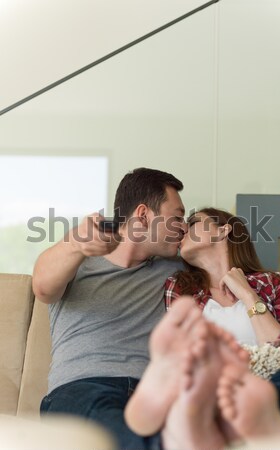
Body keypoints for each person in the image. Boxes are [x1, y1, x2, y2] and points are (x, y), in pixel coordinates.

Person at [32, 167, 187, 450]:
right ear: (143, 215)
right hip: (84, 388)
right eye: (177, 217)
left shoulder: (177, 270)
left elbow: (247, 273)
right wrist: (76, 244)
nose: (184, 227)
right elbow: (42, 287)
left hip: (153, 392)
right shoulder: (79, 258)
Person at [125, 297, 280, 450]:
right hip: (230, 382)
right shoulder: (180, 283)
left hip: (252, 379)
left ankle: (178, 434)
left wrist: (247, 294)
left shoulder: (269, 282)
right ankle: (272, 431)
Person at [164, 207, 280, 345]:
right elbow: (177, 354)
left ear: (222, 231)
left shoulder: (271, 284)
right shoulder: (179, 287)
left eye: (193, 223)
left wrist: (248, 296)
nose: (183, 230)